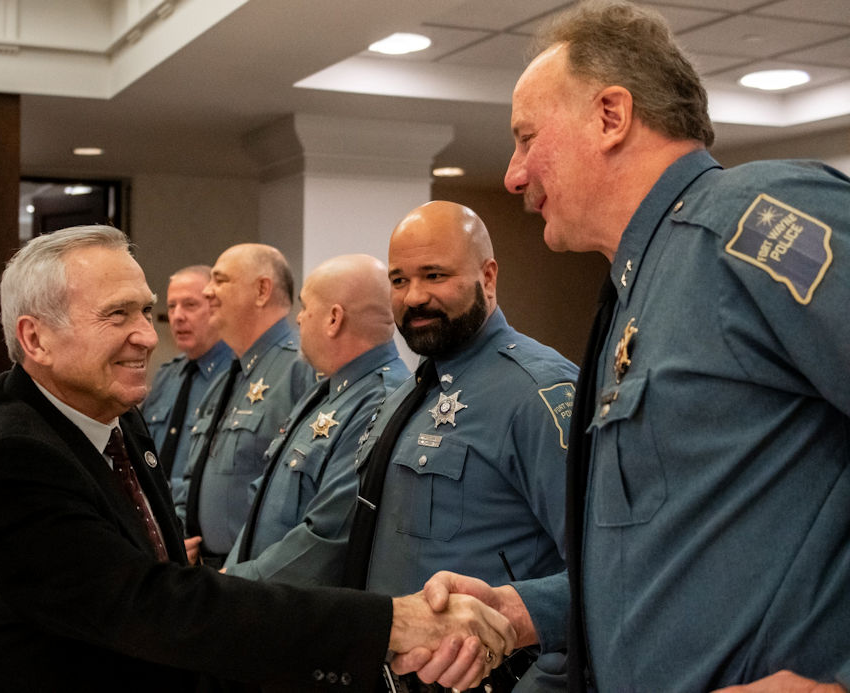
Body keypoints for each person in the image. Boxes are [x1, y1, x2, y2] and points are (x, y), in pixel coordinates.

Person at [402, 2, 850, 692]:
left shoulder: (748, 223)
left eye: (527, 138)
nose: (515, 174)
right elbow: (663, 554)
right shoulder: (633, 292)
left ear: (611, 116)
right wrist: (525, 609)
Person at [0, 225, 518, 692]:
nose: (148, 335)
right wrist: (389, 623)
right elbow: (153, 606)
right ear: (35, 339)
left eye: (142, 310)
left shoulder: (113, 417)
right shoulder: (11, 457)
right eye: (116, 315)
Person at [345, 201, 577, 691]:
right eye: (399, 280)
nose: (414, 297)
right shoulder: (411, 392)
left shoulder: (538, 393)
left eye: (434, 275)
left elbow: (606, 574)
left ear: (488, 277)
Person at [222, 254, 409, 585]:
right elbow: (262, 503)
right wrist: (233, 573)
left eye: (305, 307)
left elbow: (326, 538)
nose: (298, 319)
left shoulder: (381, 401)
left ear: (333, 319)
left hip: (297, 612)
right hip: (264, 601)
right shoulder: (326, 390)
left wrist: (238, 585)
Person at [179, 243, 316, 566]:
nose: (208, 291)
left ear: (261, 290)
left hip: (257, 574)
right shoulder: (229, 376)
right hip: (209, 570)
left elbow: (308, 492)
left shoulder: (300, 368)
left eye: (220, 280)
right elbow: (193, 475)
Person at [142, 264, 232, 561]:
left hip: (205, 547)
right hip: (155, 533)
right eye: (171, 306)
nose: (178, 316)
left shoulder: (237, 378)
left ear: (217, 307)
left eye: (190, 305)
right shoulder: (167, 376)